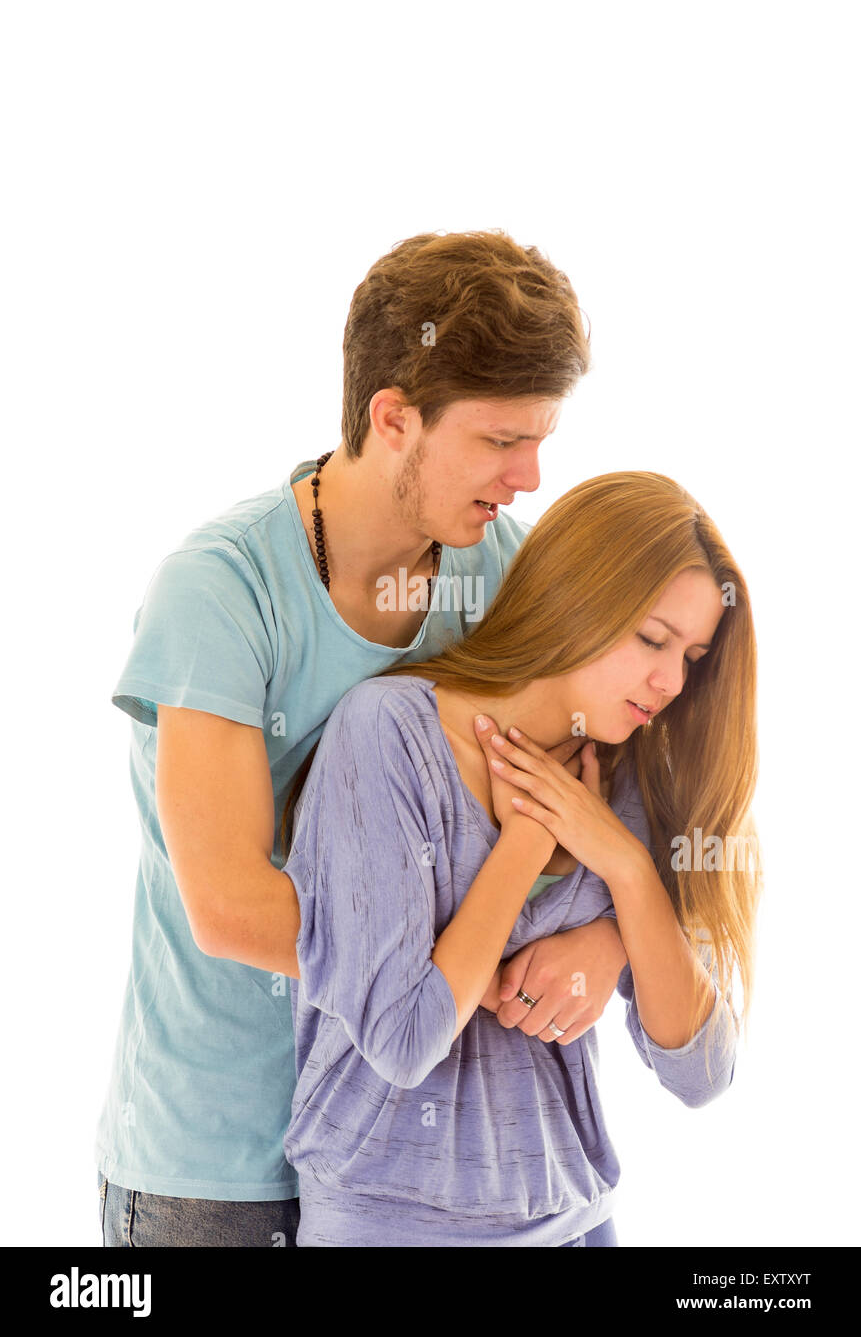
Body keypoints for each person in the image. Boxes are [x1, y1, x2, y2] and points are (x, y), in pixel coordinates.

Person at [95, 228, 624, 1247]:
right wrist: (434, 978)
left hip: (406, 1173)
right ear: (393, 418)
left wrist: (605, 943)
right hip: (220, 1174)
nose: (530, 476)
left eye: (542, 439)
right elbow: (234, 909)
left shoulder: (504, 578)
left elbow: (600, 818)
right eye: (502, 441)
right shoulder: (220, 591)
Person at [280, 470, 762, 1247]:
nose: (671, 682)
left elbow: (701, 1075)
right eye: (652, 639)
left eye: (693, 657)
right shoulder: (391, 735)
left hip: (575, 1223)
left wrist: (627, 878)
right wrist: (529, 842)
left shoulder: (630, 777)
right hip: (389, 1225)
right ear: (574, 593)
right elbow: (402, 1039)